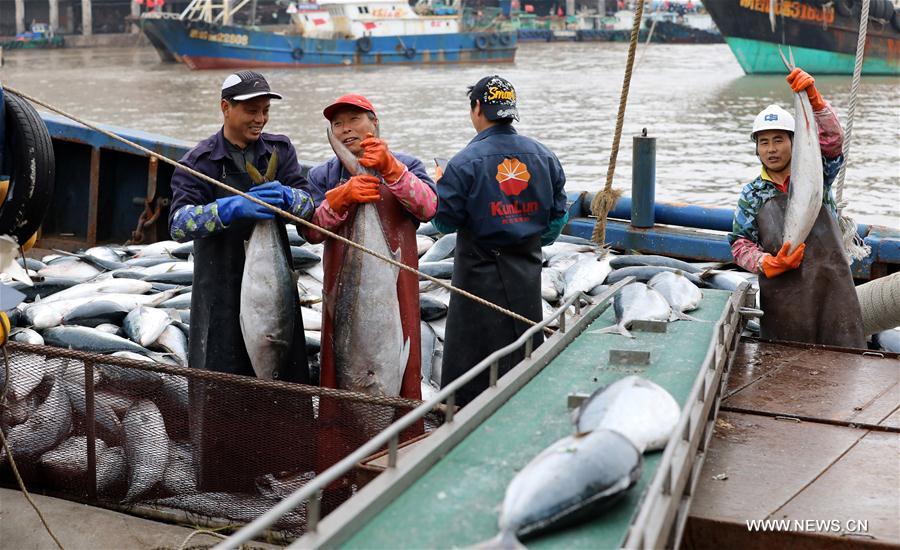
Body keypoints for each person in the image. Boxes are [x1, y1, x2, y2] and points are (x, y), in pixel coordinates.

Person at [168, 70, 316, 489]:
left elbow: (308, 204)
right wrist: (227, 209)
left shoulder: (280, 151)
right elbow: (178, 224)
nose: (260, 119)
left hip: (272, 285)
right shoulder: (198, 162)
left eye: (266, 111)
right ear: (225, 108)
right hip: (220, 287)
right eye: (252, 110)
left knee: (282, 365)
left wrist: (290, 199)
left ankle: (287, 463)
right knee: (223, 373)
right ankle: (227, 472)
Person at [432, 75, 568, 406]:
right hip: (525, 276)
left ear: (477, 107)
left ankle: (464, 420)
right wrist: (524, 235)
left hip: (476, 279)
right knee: (523, 352)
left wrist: (439, 187)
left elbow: (444, 222)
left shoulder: (464, 163)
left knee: (470, 367)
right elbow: (555, 222)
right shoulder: (544, 157)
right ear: (511, 111)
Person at [304, 94, 438, 401]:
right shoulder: (321, 175)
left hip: (397, 286)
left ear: (374, 123)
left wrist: (392, 170)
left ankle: (404, 440)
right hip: (342, 290)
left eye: (354, 120)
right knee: (341, 364)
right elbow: (310, 233)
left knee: (401, 360)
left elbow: (428, 208)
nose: (346, 129)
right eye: (337, 124)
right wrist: (338, 199)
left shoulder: (408, 165)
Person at [728, 67, 865, 348]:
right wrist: (768, 262)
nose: (772, 149)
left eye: (779, 139)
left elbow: (832, 143)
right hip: (783, 300)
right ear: (756, 149)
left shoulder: (817, 174)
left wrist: (815, 103)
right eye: (764, 142)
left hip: (832, 290)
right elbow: (740, 244)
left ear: (795, 141)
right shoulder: (752, 193)